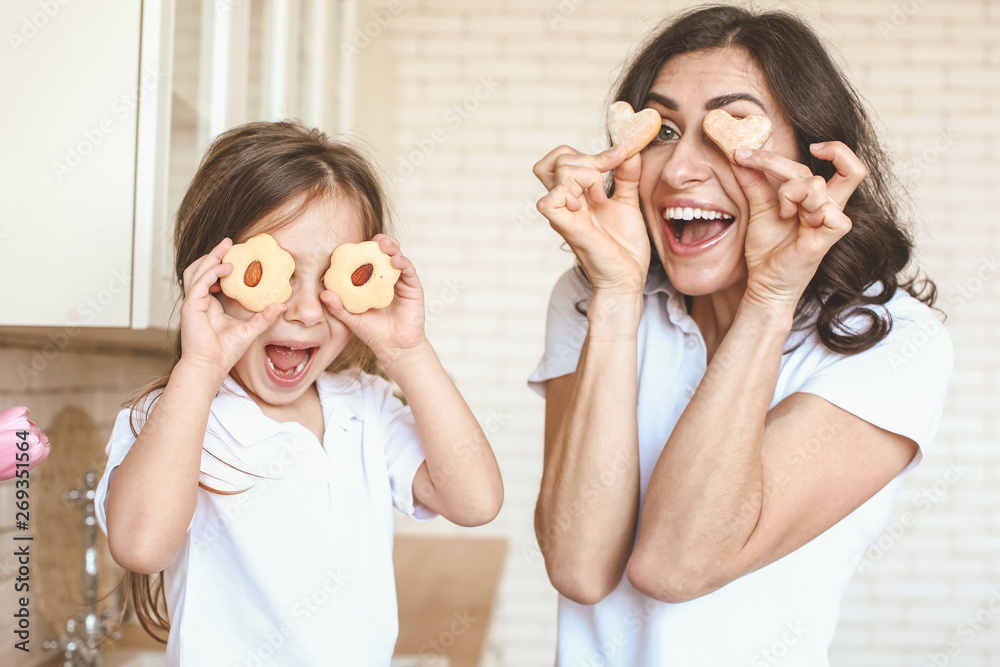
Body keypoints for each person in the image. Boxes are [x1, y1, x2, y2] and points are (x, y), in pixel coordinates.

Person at [529, 6, 952, 665]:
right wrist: (615, 295)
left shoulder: (895, 343)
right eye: (663, 129)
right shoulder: (589, 296)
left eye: (732, 128)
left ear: (812, 159)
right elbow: (579, 564)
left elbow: (676, 562)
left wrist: (770, 298)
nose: (679, 171)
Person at [94, 121, 503, 665]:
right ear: (211, 279)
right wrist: (200, 366)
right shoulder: (180, 416)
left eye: (330, 277)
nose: (305, 310)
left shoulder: (366, 407)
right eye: (276, 274)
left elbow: (475, 501)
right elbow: (140, 546)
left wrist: (408, 352)